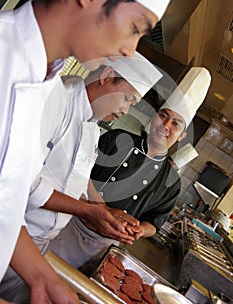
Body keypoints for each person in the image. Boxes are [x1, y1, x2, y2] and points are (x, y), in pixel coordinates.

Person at [0, 0, 187, 302]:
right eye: (136, 28)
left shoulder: (45, 77)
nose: (130, 50)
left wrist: (44, 280)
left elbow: (4, 205)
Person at [0, 54, 162, 303]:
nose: (125, 110)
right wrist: (88, 212)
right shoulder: (58, 102)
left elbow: (79, 182)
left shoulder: (92, 127)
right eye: (128, 99)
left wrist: (106, 211)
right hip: (14, 235)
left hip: (42, 243)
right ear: (107, 76)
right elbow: (28, 186)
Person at [44, 67, 211, 270]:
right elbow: (80, 172)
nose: (165, 125)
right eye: (163, 115)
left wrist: (138, 229)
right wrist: (101, 209)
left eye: (175, 123)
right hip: (71, 222)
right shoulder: (117, 138)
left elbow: (154, 223)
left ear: (182, 136)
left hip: (105, 246)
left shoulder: (171, 182)